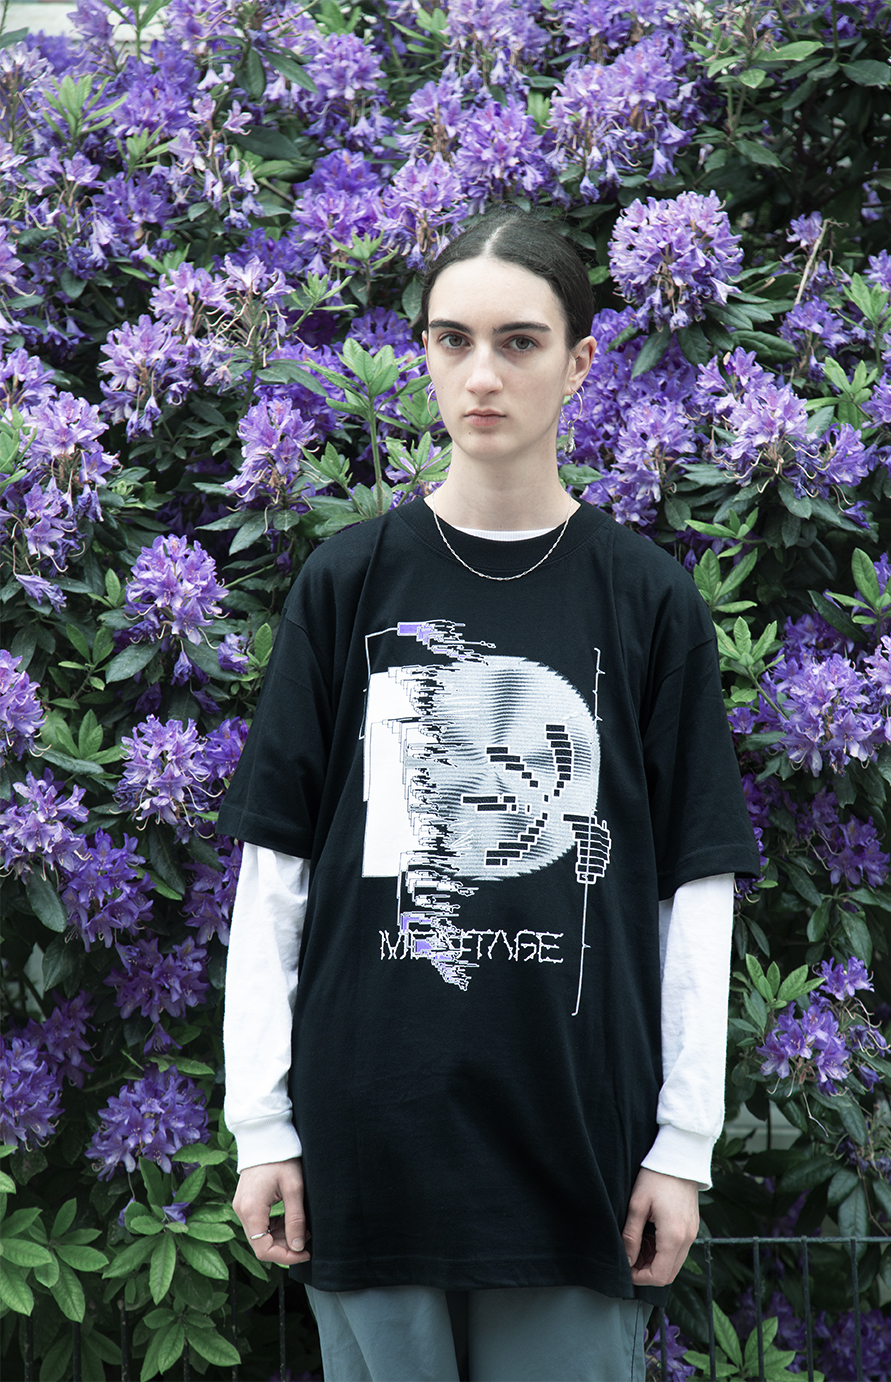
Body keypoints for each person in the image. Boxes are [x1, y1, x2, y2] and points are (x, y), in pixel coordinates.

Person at [218, 210, 761, 1382]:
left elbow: (696, 886)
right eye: (451, 338)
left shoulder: (647, 599)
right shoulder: (347, 583)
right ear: (421, 351)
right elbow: (275, 875)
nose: (480, 374)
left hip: (578, 1146)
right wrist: (262, 1123)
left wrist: (683, 1143)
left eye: (519, 341)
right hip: (370, 1141)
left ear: (579, 361)